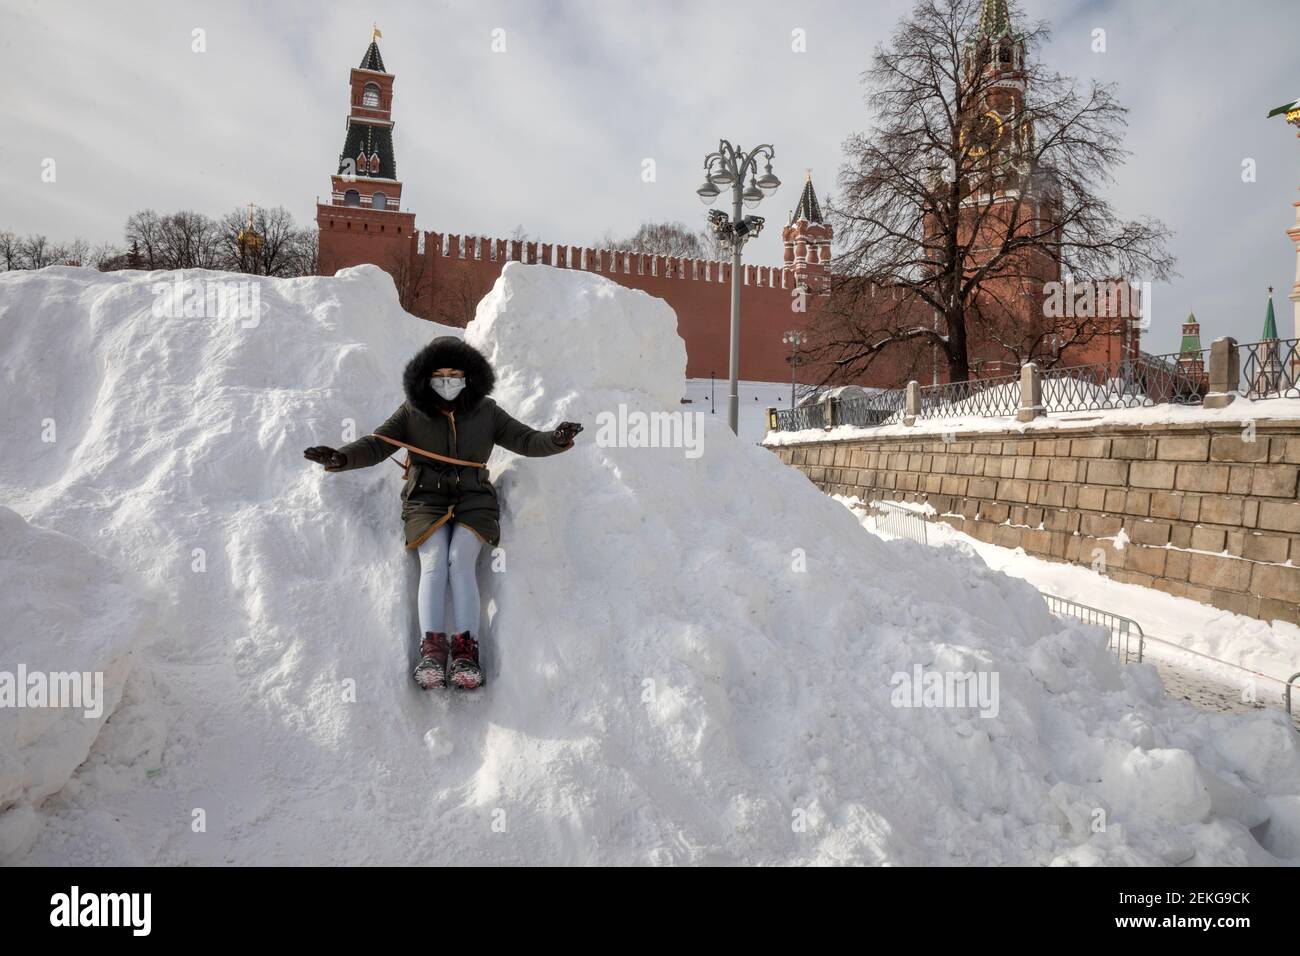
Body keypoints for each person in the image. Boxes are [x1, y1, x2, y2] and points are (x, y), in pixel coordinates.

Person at [304, 336, 581, 690]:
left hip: (473, 499)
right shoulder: (412, 410)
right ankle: (432, 651)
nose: (447, 381)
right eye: (440, 374)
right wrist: (341, 458)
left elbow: (525, 440)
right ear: (426, 376)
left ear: (469, 375)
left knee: (459, 561)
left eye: (455, 373)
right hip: (425, 500)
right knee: (434, 561)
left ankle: (466, 652)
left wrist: (556, 439)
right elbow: (378, 444)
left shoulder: (487, 411)